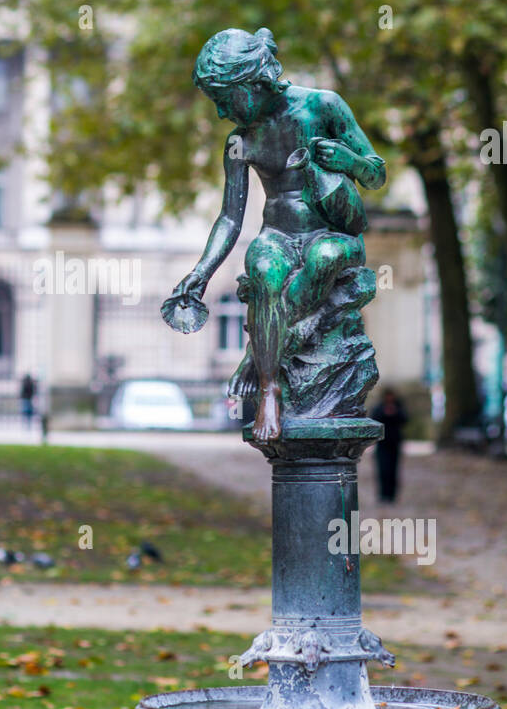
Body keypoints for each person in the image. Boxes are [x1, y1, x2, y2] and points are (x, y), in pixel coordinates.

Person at [168, 27, 386, 441]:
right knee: (265, 268)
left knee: (322, 259)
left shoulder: (323, 106)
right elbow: (230, 219)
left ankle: (259, 354)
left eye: (224, 100)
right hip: (278, 235)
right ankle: (269, 390)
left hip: (332, 232)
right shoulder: (239, 141)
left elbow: (377, 175)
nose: (221, 114)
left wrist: (350, 160)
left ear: (253, 81)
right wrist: (201, 272)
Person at [370, 388, 408, 501]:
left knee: (393, 469)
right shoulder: (379, 407)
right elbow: (374, 418)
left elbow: (405, 419)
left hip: (394, 443)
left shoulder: (398, 407)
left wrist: (395, 413)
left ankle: (391, 495)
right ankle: (383, 494)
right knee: (383, 469)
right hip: (382, 443)